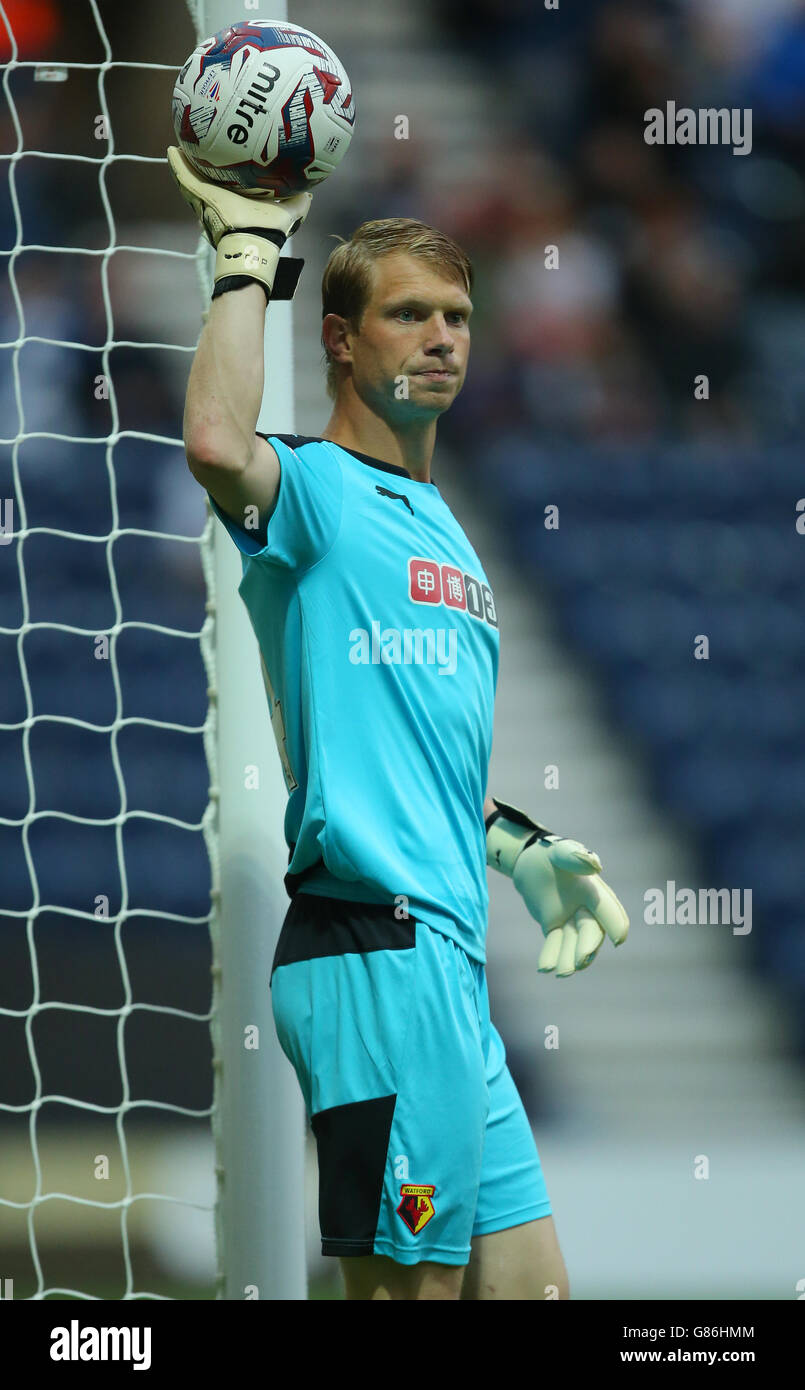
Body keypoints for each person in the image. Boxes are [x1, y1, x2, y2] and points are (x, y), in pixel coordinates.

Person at [168, 148, 630, 1301]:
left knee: (533, 1294)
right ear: (339, 339)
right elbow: (219, 446)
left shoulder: (445, 528)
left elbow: (420, 755)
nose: (441, 337)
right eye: (407, 314)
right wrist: (246, 260)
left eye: (458, 317)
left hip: (446, 969)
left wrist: (521, 849)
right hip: (372, 950)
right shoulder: (315, 492)